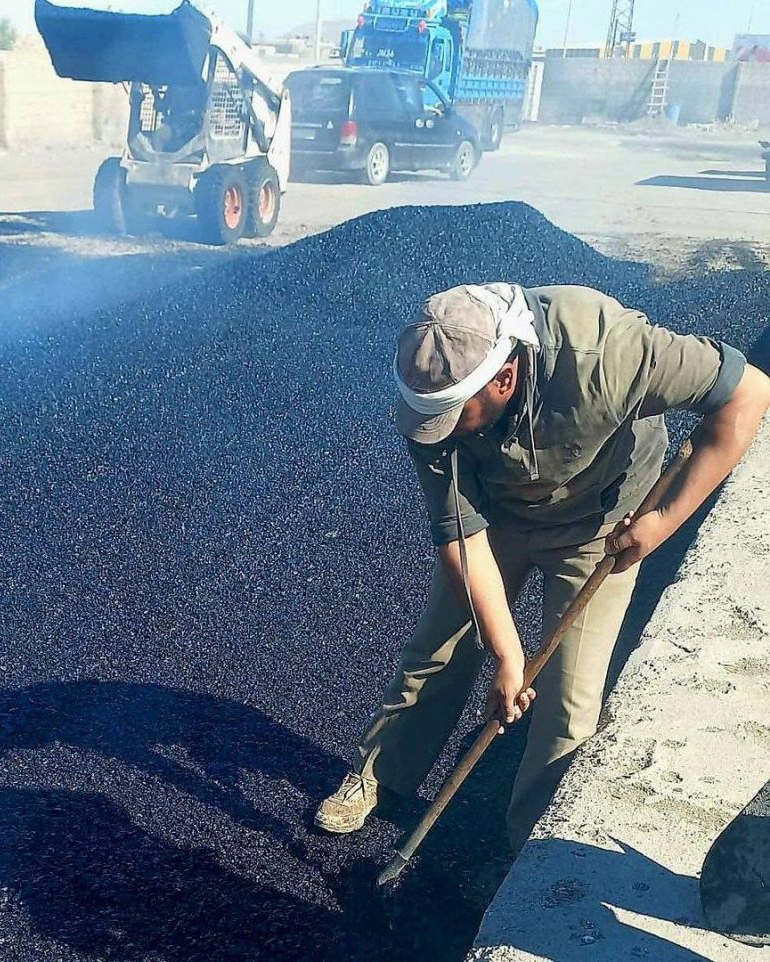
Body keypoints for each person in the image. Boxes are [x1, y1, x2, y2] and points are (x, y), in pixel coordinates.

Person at [315, 283, 770, 850]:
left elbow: (748, 392)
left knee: (567, 704)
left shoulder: (607, 354)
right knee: (439, 651)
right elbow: (462, 541)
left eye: (456, 415)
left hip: (601, 528)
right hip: (497, 519)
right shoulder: (428, 401)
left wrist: (664, 521)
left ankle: (528, 842)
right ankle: (379, 778)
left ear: (503, 377)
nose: (442, 428)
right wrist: (508, 654)